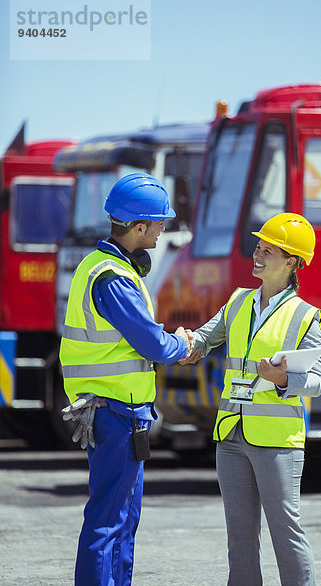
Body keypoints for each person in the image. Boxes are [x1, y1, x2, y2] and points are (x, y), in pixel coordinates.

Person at [59, 173, 193, 586]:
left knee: (123, 520)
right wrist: (181, 346)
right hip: (114, 412)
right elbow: (151, 343)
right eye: (158, 222)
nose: (162, 229)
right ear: (137, 227)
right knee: (108, 521)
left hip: (120, 411)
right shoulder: (113, 277)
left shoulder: (105, 267)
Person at [181, 213, 321, 586]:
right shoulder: (238, 301)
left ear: (292, 262)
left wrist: (281, 380)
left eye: (268, 251)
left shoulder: (304, 315)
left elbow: (316, 383)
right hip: (230, 435)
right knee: (240, 537)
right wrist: (186, 342)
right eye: (257, 247)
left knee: (285, 533)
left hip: (276, 441)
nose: (257, 255)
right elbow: (202, 338)